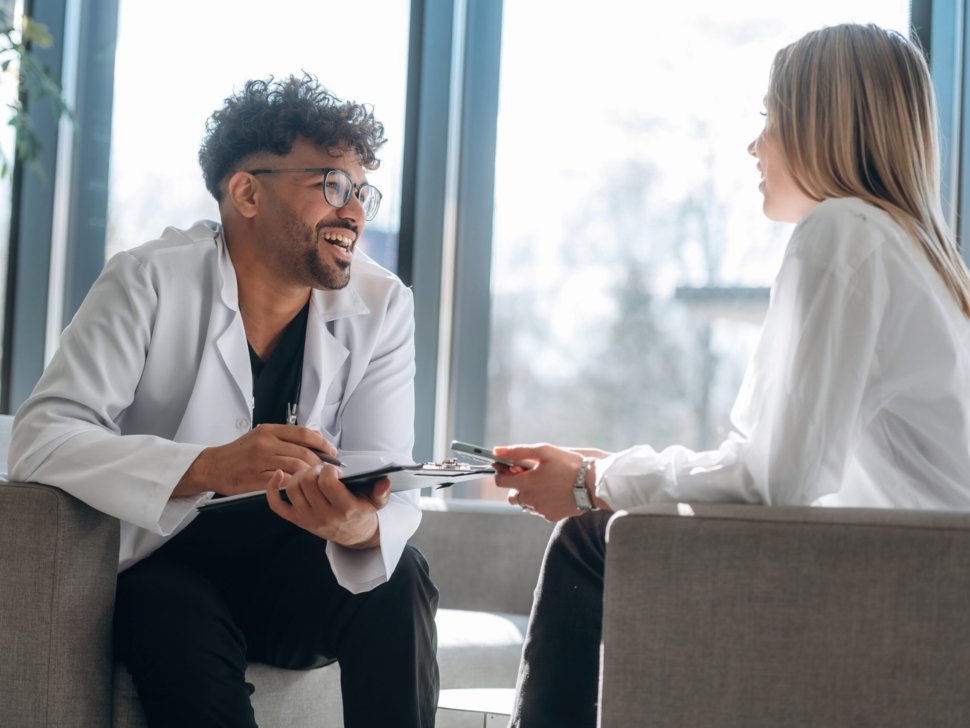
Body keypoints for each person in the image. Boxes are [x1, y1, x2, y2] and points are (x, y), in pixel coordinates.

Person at [492, 23, 970, 728]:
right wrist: (615, 469)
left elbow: (775, 480)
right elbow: (794, 471)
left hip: (895, 586)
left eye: (771, 118)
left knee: (590, 542)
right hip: (923, 585)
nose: (756, 145)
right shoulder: (922, 261)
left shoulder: (844, 234)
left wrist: (596, 484)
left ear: (824, 124)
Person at [8, 74, 438, 727]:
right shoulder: (148, 280)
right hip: (164, 563)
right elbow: (42, 439)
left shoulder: (383, 306)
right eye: (332, 186)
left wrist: (357, 527)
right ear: (246, 192)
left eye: (363, 193)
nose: (354, 213)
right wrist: (207, 466)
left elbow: (385, 474)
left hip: (293, 566)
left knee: (398, 576)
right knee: (173, 622)